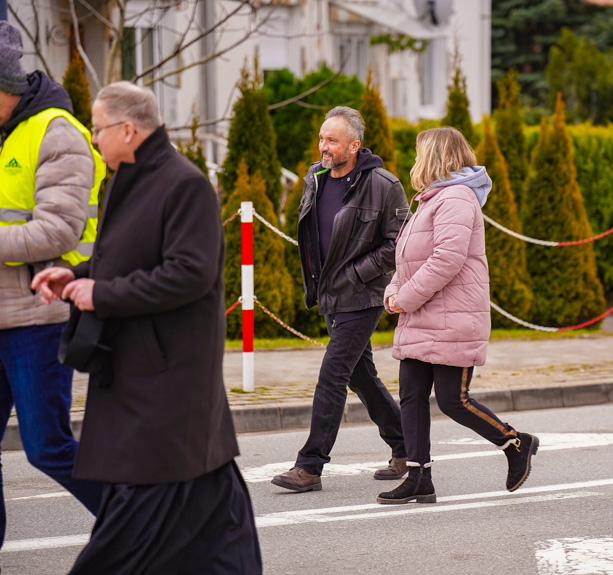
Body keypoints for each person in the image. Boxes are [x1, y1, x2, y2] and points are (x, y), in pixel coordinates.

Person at [32, 81, 262, 573]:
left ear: (128, 129)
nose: (93, 138)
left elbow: (189, 273)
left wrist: (102, 294)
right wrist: (77, 274)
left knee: (132, 523)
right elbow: (122, 256)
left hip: (166, 381)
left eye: (98, 129)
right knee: (211, 508)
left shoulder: (185, 184)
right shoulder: (124, 178)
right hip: (143, 376)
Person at [377, 127, 538, 505]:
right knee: (412, 396)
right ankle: (419, 477)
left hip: (453, 318)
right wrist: (392, 293)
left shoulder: (457, 199)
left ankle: (515, 443)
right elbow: (405, 260)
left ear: (434, 156)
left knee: (454, 399)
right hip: (423, 315)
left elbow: (446, 260)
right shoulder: (429, 201)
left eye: (419, 153)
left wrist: (407, 298)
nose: (415, 159)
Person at [0, 21, 105, 547]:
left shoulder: (56, 131)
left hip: (36, 320)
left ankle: (144, 523)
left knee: (47, 447)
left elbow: (59, 229)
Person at [272, 106, 410, 492]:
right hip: (330, 295)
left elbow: (397, 243)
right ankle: (406, 446)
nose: (323, 147)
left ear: (354, 145)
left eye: (332, 140)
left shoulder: (384, 185)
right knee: (361, 377)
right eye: (321, 139)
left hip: (363, 296)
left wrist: (356, 274)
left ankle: (310, 466)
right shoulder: (314, 180)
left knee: (332, 375)